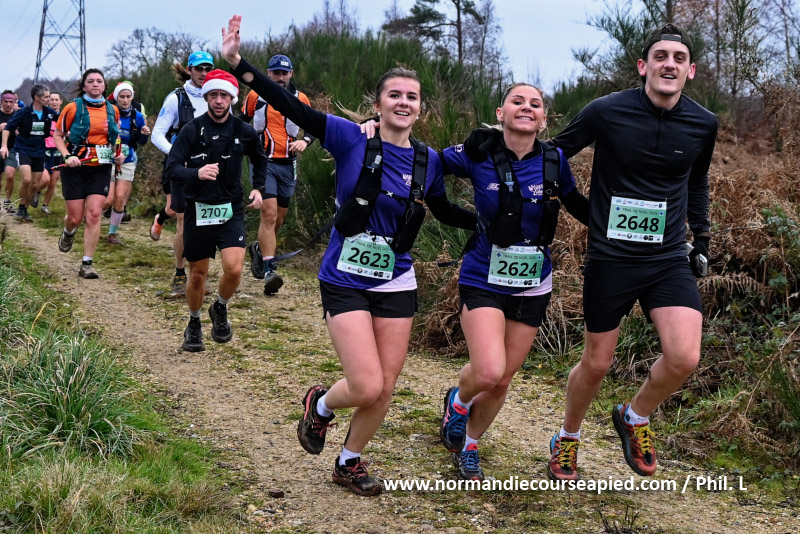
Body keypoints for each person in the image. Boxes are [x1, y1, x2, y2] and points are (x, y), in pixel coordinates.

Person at [223, 14, 476, 496]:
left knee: (386, 385)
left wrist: (489, 226)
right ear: (378, 104)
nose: (403, 102)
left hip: (396, 278)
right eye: (394, 95)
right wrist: (239, 64)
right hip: (344, 276)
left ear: (420, 108)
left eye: (412, 97)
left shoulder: (428, 160)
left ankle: (349, 461)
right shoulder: (349, 137)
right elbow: (289, 105)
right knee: (364, 384)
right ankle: (320, 406)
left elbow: (443, 209)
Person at [546, 24, 717, 480]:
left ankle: (635, 416)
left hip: (667, 258)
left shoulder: (703, 123)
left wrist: (702, 237)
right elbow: (552, 157)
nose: (669, 64)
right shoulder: (606, 110)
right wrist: (584, 210)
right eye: (660, 56)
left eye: (679, 58)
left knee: (684, 357)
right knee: (597, 363)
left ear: (691, 71)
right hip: (611, 258)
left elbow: (697, 180)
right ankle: (567, 437)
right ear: (643, 66)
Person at [431, 84, 589, 481]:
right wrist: (375, 132)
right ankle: (458, 401)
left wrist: (617, 230)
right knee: (488, 370)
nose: (526, 108)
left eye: (535, 104)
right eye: (517, 102)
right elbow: (423, 161)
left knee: (502, 380)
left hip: (533, 283)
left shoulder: (554, 160)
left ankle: (469, 444)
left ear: (544, 119)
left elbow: (576, 203)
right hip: (483, 276)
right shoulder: (478, 152)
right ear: (500, 112)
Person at [165, 69, 266, 352]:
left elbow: (260, 160)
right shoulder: (191, 130)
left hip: (230, 210)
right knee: (198, 274)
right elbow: (172, 168)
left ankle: (220, 307)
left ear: (232, 98)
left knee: (234, 269)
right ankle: (194, 322)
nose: (219, 100)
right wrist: (196, 173)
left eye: (224, 95)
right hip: (198, 209)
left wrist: (259, 188)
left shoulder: (244, 131)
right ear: (206, 97)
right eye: (213, 95)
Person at [241, 54, 315, 294]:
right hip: (263, 163)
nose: (280, 77)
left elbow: (314, 127)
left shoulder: (301, 99)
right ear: (268, 74)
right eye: (276, 73)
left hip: (288, 164)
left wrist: (305, 141)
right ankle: (269, 270)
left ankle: (259, 249)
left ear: (291, 74)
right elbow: (241, 121)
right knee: (269, 214)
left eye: (284, 73)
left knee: (279, 219)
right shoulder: (255, 96)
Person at [151, 51, 214, 297]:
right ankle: (179, 273)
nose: (203, 73)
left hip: (210, 169)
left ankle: (200, 275)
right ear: (189, 70)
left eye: (208, 68)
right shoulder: (175, 98)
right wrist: (177, 154)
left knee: (207, 223)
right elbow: (157, 134)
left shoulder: (218, 96)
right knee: (184, 221)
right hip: (183, 169)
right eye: (199, 68)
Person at [53, 68, 125, 279]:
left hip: (101, 166)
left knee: (94, 214)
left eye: (99, 81)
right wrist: (67, 156)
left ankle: (87, 264)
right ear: (83, 85)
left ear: (104, 86)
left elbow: (115, 138)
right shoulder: (72, 108)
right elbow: (58, 135)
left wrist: (117, 155)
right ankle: (69, 230)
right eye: (91, 81)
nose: (95, 84)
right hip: (75, 166)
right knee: (75, 217)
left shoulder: (113, 110)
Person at [1, 84, 58, 223]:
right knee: (26, 179)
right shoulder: (24, 112)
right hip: (23, 149)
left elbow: (64, 121)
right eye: (46, 97)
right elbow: (8, 128)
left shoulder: (49, 112)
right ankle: (21, 207)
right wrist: (4, 146)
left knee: (35, 184)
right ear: (36, 97)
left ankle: (24, 208)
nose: (49, 99)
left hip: (39, 150)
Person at [103, 82, 150, 244]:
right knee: (108, 199)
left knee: (120, 197)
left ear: (132, 97)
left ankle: (112, 233)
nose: (125, 100)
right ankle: (90, 219)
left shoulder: (137, 116)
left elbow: (141, 142)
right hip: (108, 158)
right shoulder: (108, 113)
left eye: (128, 97)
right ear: (116, 97)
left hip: (127, 159)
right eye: (121, 97)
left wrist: (144, 134)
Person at [40, 92, 64, 214]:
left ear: (61, 101)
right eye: (52, 99)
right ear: (48, 101)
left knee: (53, 182)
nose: (54, 102)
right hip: (44, 150)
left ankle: (45, 205)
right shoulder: (44, 115)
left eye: (56, 100)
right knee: (45, 179)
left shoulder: (64, 116)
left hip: (58, 151)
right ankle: (36, 191)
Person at [0, 90, 18, 213]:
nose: (8, 104)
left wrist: (19, 132)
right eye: (6, 101)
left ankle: (7, 200)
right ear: (1, 102)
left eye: (11, 102)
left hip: (12, 148)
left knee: (10, 174)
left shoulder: (17, 115)